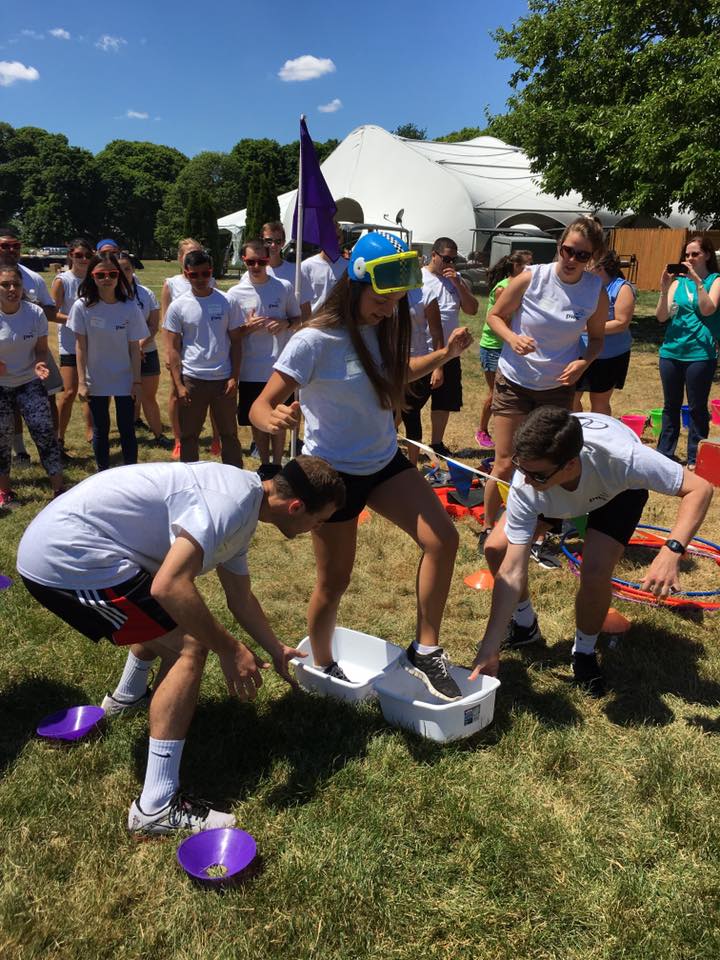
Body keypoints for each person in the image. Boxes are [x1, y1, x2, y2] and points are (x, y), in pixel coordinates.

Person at [16, 455, 346, 834]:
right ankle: (156, 806)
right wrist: (230, 648)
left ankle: (128, 697)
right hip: (66, 560)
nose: (315, 529)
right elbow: (169, 587)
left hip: (72, 546)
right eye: (317, 521)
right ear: (296, 507)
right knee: (190, 645)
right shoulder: (229, 505)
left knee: (167, 617)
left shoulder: (245, 502)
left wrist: (274, 647)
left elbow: (240, 597)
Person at [250, 231, 474, 701]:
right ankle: (325, 662)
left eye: (396, 300)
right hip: (333, 476)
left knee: (443, 540)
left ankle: (426, 649)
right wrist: (272, 416)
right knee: (334, 582)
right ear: (355, 283)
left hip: (384, 460)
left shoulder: (385, 328)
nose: (389, 309)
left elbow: (395, 372)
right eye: (382, 298)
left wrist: (444, 355)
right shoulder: (312, 341)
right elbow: (261, 403)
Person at [470, 406, 713, 695]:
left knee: (595, 571)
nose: (525, 481)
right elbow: (511, 571)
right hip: (556, 494)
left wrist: (671, 550)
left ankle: (583, 654)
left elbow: (700, 488)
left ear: (570, 464)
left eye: (536, 475)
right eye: (521, 468)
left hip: (615, 493)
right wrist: (489, 646)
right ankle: (524, 626)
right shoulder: (529, 481)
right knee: (496, 548)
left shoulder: (623, 458)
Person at [481, 217, 608, 552]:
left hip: (556, 387)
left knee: (551, 463)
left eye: (582, 256)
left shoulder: (594, 290)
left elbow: (596, 339)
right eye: (568, 250)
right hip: (515, 381)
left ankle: (541, 527)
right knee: (507, 460)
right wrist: (512, 337)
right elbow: (494, 315)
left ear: (592, 258)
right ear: (559, 246)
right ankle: (488, 525)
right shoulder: (531, 277)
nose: (572, 259)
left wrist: (583, 362)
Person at [227, 239, 301, 477]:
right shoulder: (235, 293)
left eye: (261, 261)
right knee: (257, 419)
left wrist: (284, 323)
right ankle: (265, 464)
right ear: (244, 261)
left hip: (279, 365)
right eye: (251, 262)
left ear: (269, 260)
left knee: (279, 416)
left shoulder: (284, 287)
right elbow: (231, 333)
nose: (256, 266)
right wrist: (247, 327)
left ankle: (278, 463)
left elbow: (298, 320)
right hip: (250, 366)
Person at [163, 249, 244, 467]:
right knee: (189, 436)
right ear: (185, 273)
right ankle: (191, 480)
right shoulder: (178, 306)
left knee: (229, 436)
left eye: (205, 274)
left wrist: (234, 377)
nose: (200, 279)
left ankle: (234, 479)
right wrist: (178, 384)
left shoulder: (228, 302)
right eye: (194, 275)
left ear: (211, 272)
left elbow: (236, 342)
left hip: (223, 380)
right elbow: (172, 348)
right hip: (192, 379)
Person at [68, 253, 148, 471]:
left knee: (127, 428)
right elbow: (80, 347)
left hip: (125, 378)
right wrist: (83, 382)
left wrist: (137, 382)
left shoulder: (129, 307)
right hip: (97, 379)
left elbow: (134, 347)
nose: (107, 278)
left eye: (112, 274)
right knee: (100, 429)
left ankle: (131, 472)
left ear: (119, 276)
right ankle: (102, 473)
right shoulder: (82, 307)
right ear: (92, 276)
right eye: (100, 274)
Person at [0, 263, 64, 505]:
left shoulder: (34, 313)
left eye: (16, 284)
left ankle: (58, 489)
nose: (11, 289)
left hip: (29, 382)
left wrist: (39, 364)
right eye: (5, 284)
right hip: (1, 386)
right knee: (1, 438)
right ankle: (4, 491)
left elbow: (40, 349)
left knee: (45, 433)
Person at [655, 234, 720, 469]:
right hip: (671, 352)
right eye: (687, 254)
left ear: (707, 256)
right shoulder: (677, 283)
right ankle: (665, 453)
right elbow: (661, 316)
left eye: (695, 254)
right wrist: (664, 289)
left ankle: (696, 457)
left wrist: (697, 282)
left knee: (696, 407)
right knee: (670, 405)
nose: (690, 258)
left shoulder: (716, 280)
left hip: (700, 354)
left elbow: (708, 309)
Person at [160, 239, 220, 460]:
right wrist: (169, 353)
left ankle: (216, 438)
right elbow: (165, 319)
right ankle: (178, 439)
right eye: (188, 255)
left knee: (214, 395)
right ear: (180, 260)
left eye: (197, 253)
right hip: (181, 348)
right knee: (177, 394)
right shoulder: (172, 283)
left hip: (204, 349)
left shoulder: (210, 280)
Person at [420, 237, 479, 456]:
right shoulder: (420, 277)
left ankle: (437, 443)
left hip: (451, 351)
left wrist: (458, 284)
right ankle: (402, 438)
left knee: (444, 399)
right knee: (412, 400)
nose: (450, 264)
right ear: (433, 255)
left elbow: (472, 309)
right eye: (446, 258)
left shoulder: (457, 279)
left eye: (454, 260)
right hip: (422, 349)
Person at [475, 250, 533, 449]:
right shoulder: (503, 289)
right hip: (494, 347)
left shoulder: (524, 286)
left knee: (512, 393)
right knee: (496, 393)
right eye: (526, 265)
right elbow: (502, 322)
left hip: (509, 347)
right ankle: (482, 430)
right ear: (515, 267)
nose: (530, 269)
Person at [116, 253, 173, 450]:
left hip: (147, 352)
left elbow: (153, 325)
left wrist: (139, 346)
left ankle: (158, 435)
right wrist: (130, 348)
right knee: (123, 398)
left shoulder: (146, 294)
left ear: (133, 270)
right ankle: (127, 437)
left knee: (149, 397)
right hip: (120, 354)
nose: (124, 274)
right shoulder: (108, 296)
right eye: (119, 270)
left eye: (127, 269)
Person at [574, 250, 635, 416]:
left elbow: (621, 323)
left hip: (609, 355)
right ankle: (577, 434)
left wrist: (586, 328)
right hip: (578, 352)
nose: (582, 265)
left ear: (599, 267)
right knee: (571, 398)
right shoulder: (582, 286)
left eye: (587, 262)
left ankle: (600, 438)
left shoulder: (621, 288)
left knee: (599, 402)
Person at [50, 239, 95, 450]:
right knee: (69, 392)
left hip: (94, 342)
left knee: (92, 390)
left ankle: (91, 432)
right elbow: (52, 313)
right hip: (70, 343)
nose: (84, 259)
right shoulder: (62, 280)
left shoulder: (95, 277)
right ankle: (58, 438)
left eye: (87, 255)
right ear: (71, 255)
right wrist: (74, 320)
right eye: (79, 255)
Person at [399, 271, 444, 466]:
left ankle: (412, 463)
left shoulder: (426, 293)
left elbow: (436, 332)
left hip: (419, 362)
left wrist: (438, 367)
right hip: (390, 362)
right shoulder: (384, 291)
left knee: (411, 411)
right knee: (389, 411)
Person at [262, 221, 314, 322]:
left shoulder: (296, 272)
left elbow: (306, 311)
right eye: (269, 241)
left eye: (278, 241)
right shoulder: (253, 272)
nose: (273, 245)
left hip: (290, 335)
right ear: (262, 241)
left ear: (283, 243)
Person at [300, 228, 347, 312]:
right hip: (314, 322)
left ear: (341, 240)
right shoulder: (306, 266)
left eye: (337, 237)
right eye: (330, 237)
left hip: (339, 323)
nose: (334, 241)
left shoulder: (347, 266)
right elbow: (300, 302)